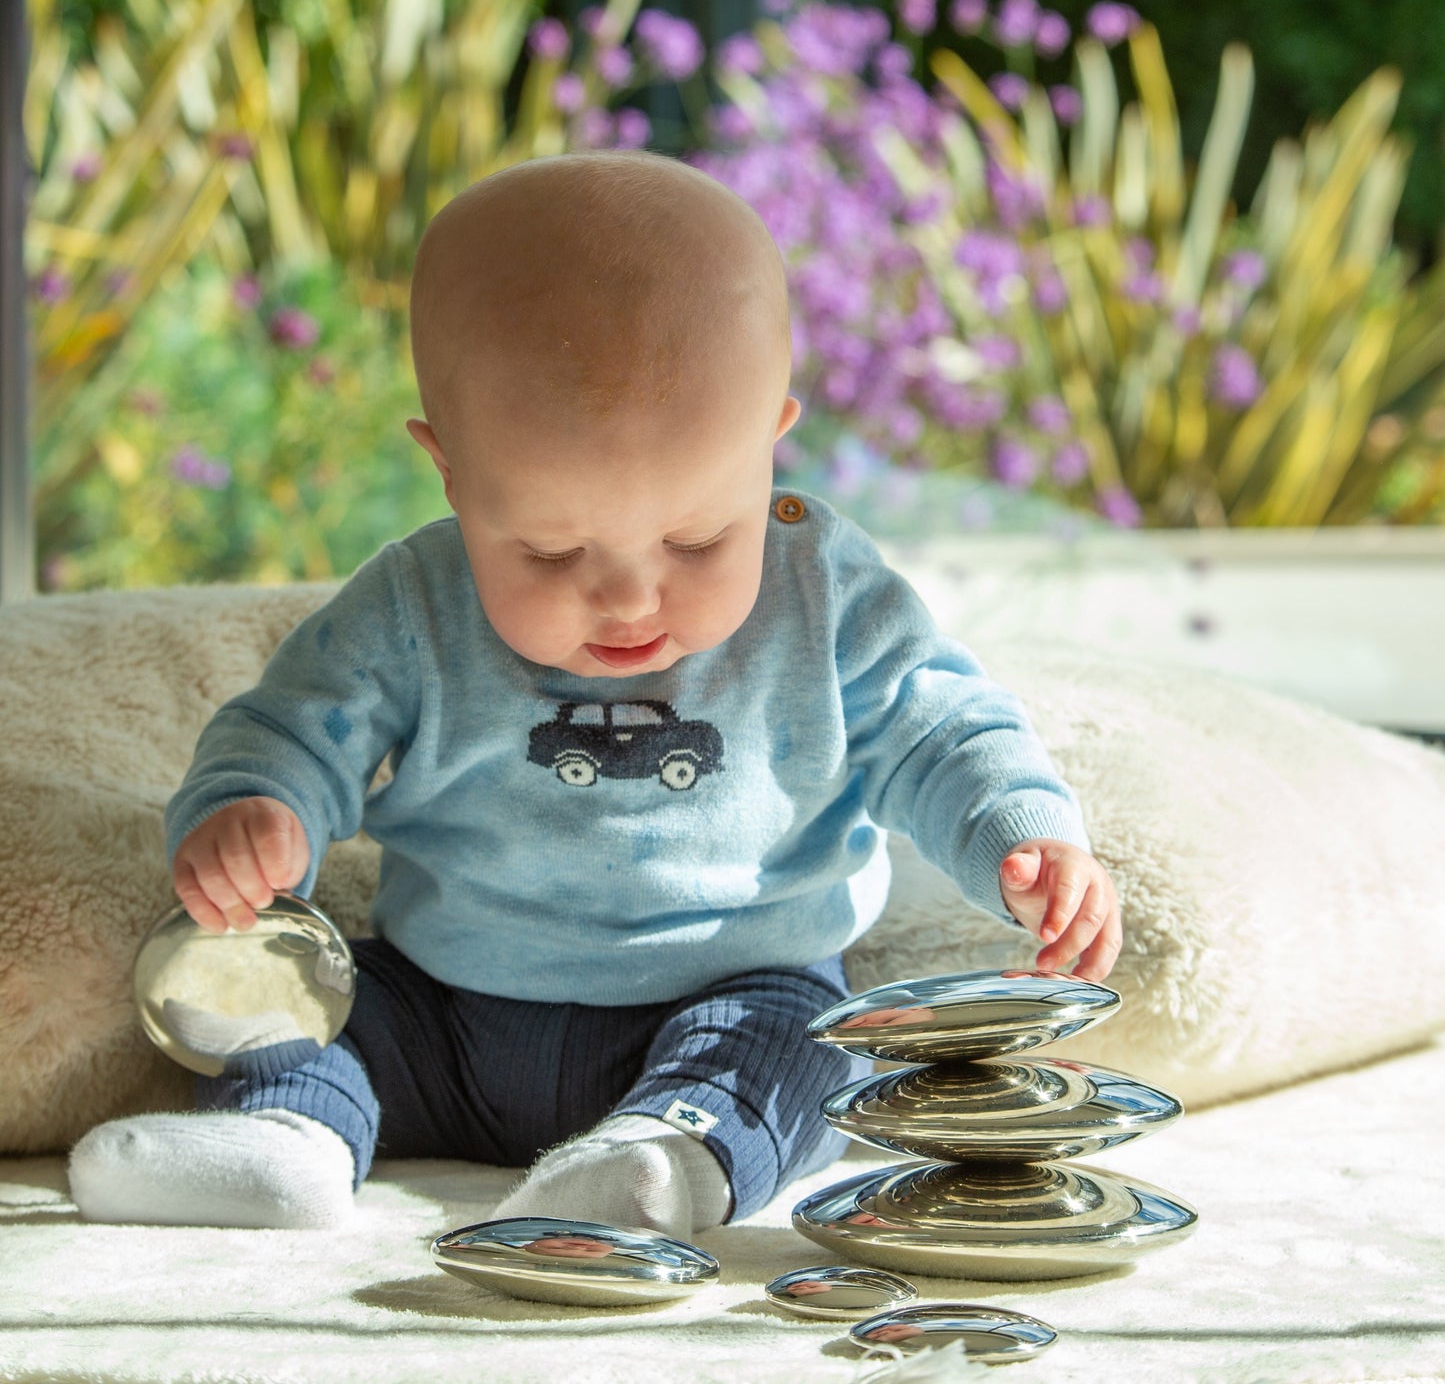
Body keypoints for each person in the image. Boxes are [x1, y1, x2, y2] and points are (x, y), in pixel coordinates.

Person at [67, 151, 1120, 1236]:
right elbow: (293, 722)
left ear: (771, 443)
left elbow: (937, 724)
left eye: (698, 535)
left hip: (723, 995)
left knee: (814, 1044)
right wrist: (258, 809)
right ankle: (285, 1138)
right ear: (450, 469)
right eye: (550, 547)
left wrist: (1018, 832)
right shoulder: (415, 601)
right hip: (438, 1011)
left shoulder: (822, 592)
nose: (626, 597)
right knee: (287, 980)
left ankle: (664, 1155)